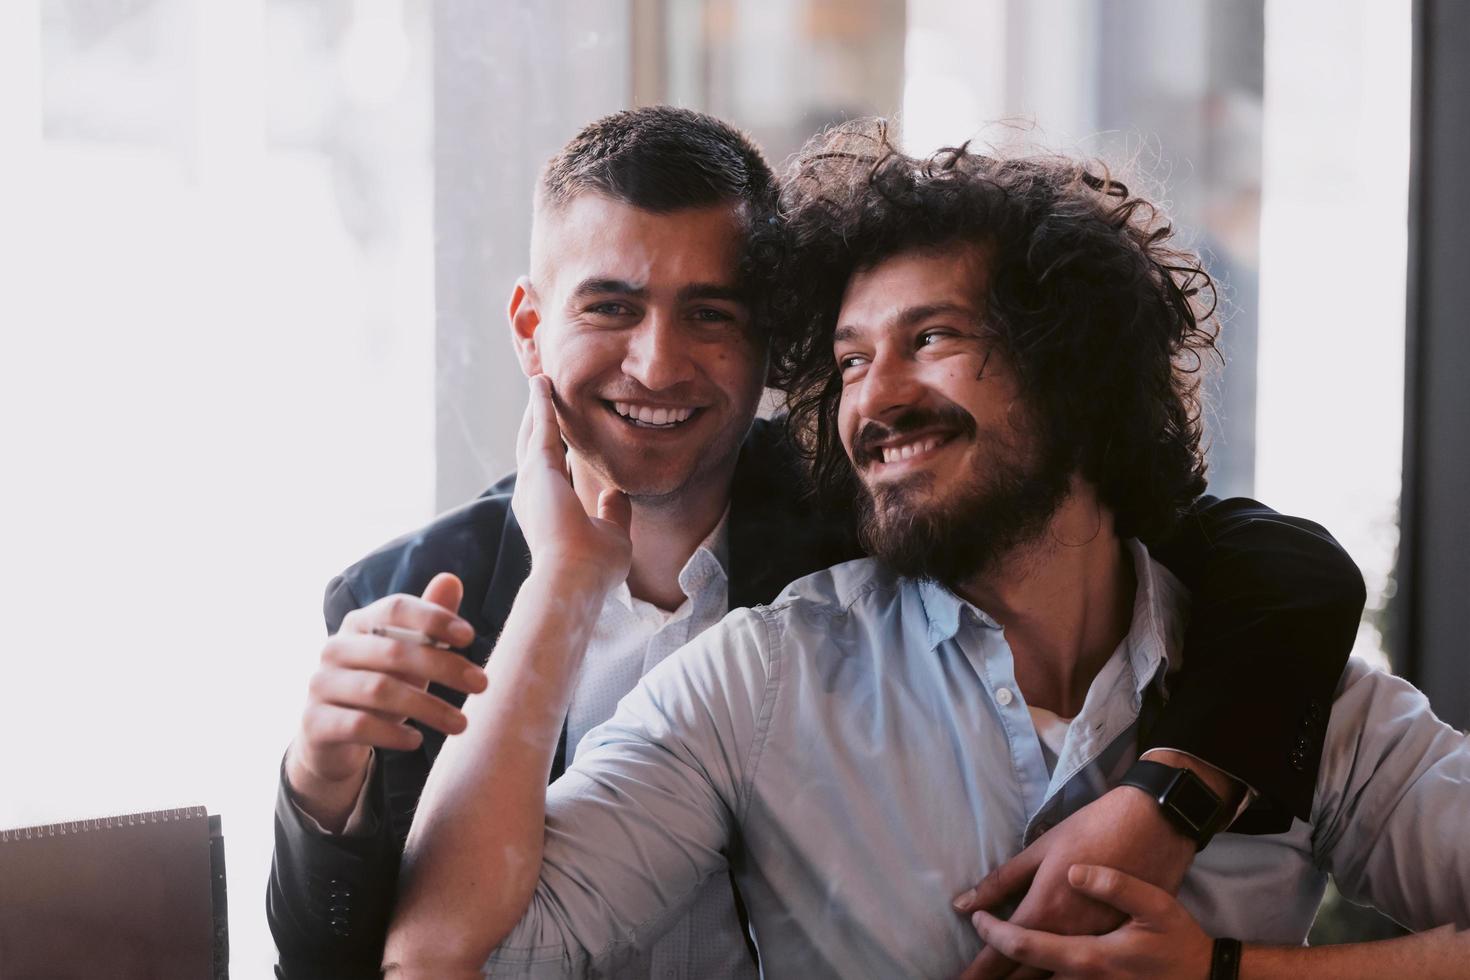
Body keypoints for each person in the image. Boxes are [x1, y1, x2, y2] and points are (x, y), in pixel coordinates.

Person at [268, 107, 1363, 979]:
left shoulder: (892, 508)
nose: (657, 364)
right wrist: (321, 784)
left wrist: (1169, 800)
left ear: (770, 345)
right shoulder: (404, 591)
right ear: (528, 326)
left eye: (712, 313)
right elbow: (360, 957)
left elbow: (1282, 570)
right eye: (610, 306)